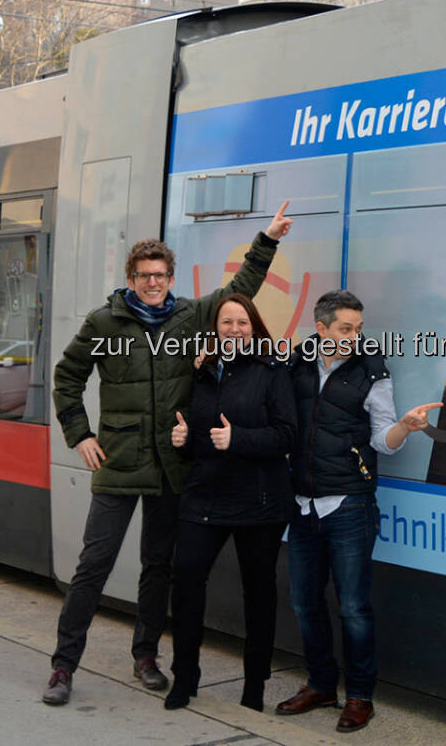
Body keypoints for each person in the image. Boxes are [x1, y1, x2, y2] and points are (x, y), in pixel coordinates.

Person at [42, 203, 292, 706]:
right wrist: (80, 434)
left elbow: (239, 289)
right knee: (94, 564)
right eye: (144, 276)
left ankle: (146, 656)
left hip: (170, 466)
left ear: (171, 277)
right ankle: (63, 666)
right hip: (117, 462)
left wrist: (267, 240)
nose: (153, 283)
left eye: (160, 275)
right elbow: (68, 377)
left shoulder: (189, 317)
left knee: (159, 565)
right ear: (131, 278)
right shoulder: (104, 324)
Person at [275, 290, 441, 733]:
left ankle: (361, 697)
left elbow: (382, 435)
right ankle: (321, 685)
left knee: (353, 606)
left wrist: (404, 427)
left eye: (358, 328)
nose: (354, 336)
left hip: (349, 503)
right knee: (303, 601)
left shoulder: (372, 369)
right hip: (302, 503)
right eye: (346, 328)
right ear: (322, 327)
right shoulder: (297, 362)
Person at [163, 293, 296, 713]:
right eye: (226, 323)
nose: (234, 329)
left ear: (254, 327)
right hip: (205, 496)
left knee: (258, 593)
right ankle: (185, 677)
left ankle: (253, 686)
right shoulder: (202, 371)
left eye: (242, 322)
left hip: (259, 501)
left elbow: (287, 435)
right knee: (185, 581)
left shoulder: (272, 371)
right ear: (215, 329)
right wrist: (183, 443)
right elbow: (202, 436)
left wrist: (240, 439)